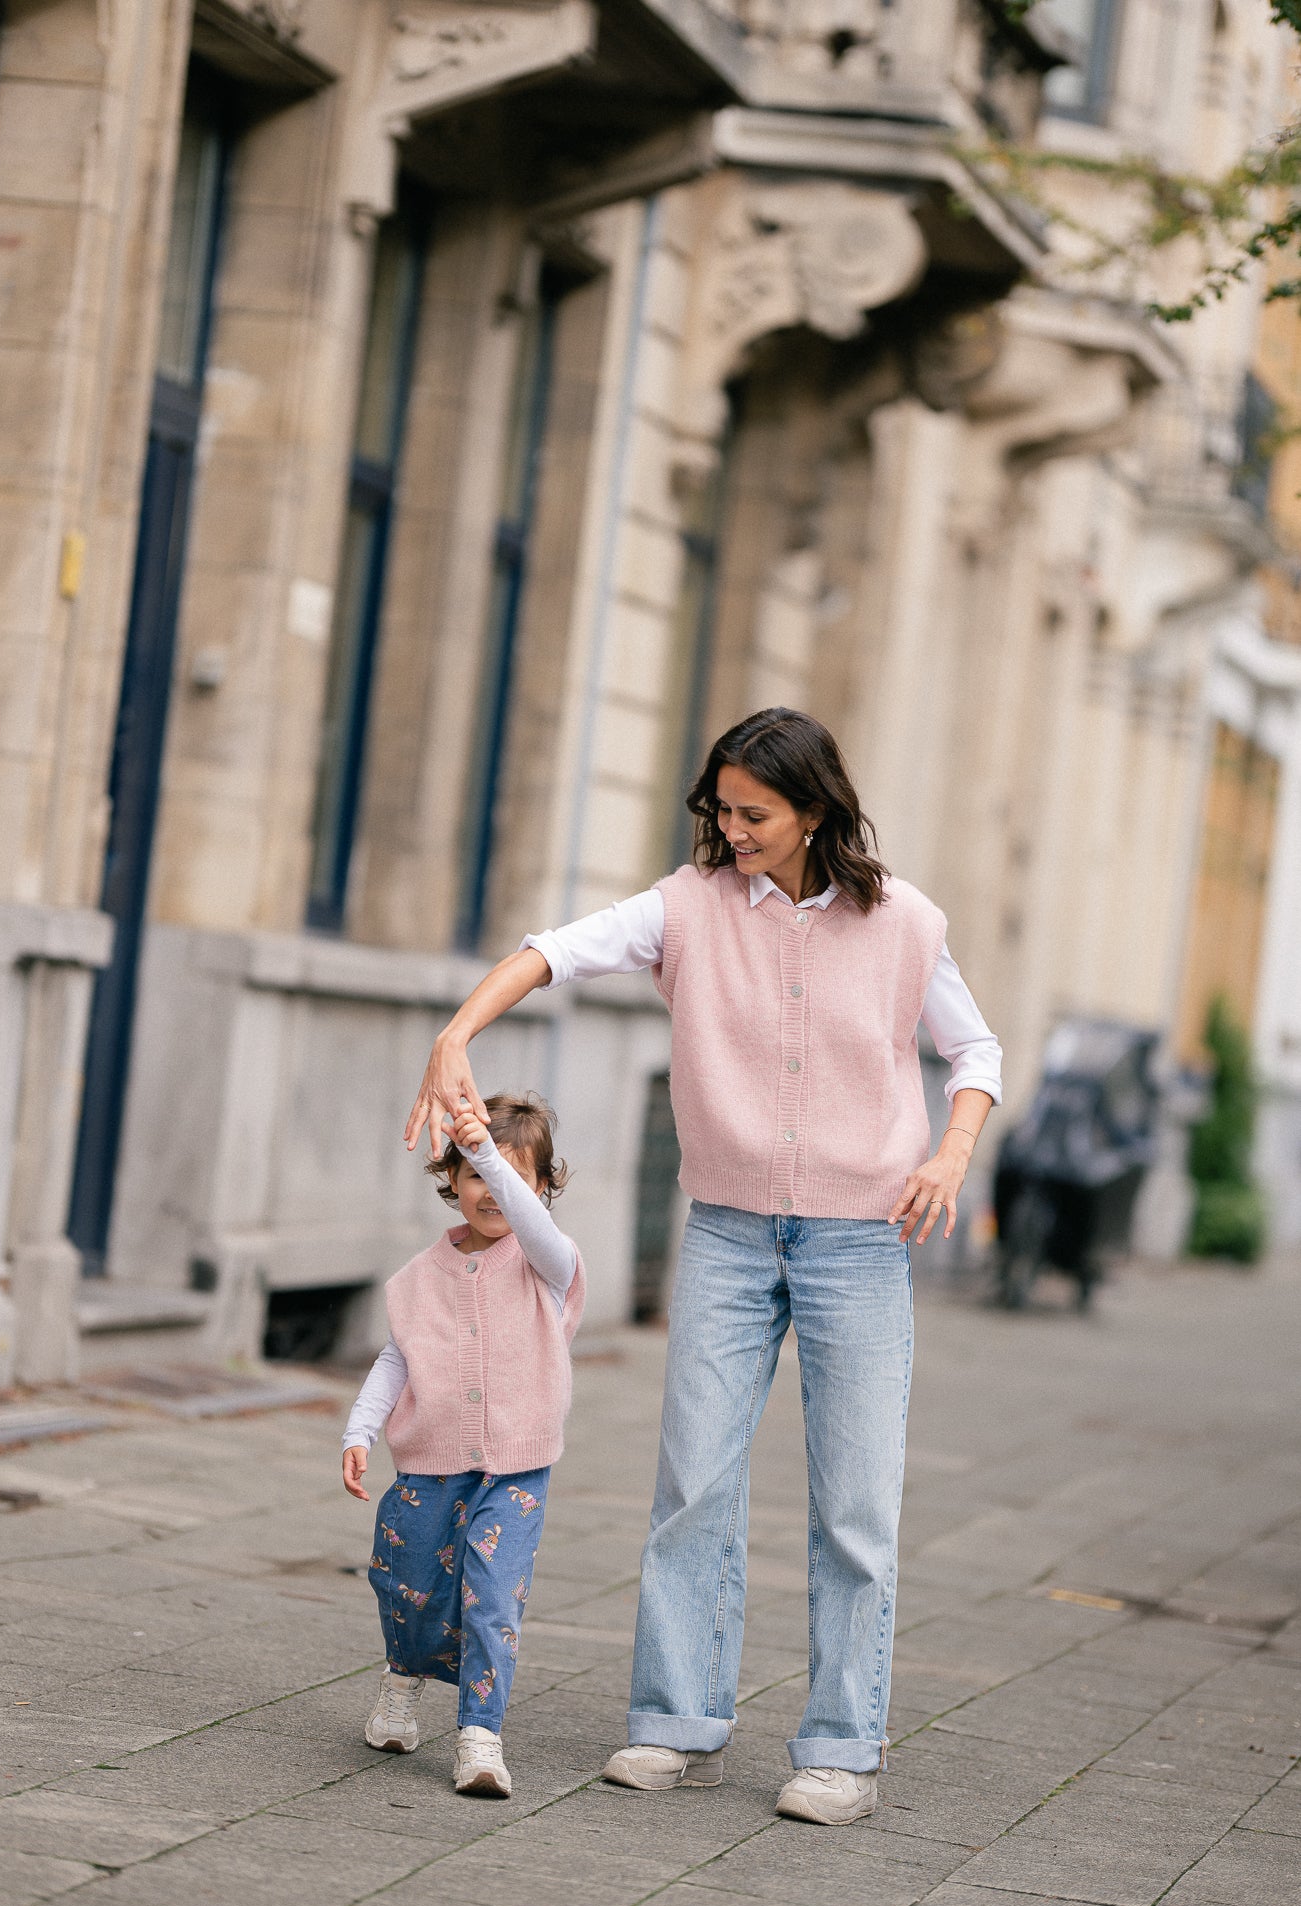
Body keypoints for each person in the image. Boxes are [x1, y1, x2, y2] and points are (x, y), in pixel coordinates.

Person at [404, 707, 1001, 1825]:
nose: (730, 830)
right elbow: (555, 949)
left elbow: (975, 1049)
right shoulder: (687, 907)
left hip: (859, 1241)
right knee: (692, 1486)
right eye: (719, 809)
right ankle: (677, 1721)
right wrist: (456, 1035)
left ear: (813, 810)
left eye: (754, 813)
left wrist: (949, 1152)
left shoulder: (904, 922)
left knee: (854, 1504)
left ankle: (839, 1746)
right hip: (725, 1233)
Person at [341, 1093, 584, 1799]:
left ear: (540, 1190)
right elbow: (396, 1359)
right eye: (475, 1172)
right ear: (450, 1179)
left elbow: (532, 1224)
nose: (490, 1189)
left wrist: (486, 1150)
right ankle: (402, 1680)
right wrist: (359, 1430)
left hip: (514, 1466)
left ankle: (480, 1736)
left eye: (512, 1175)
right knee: (407, 1586)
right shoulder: (417, 1277)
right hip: (428, 1466)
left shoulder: (549, 1263)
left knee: (491, 1599)